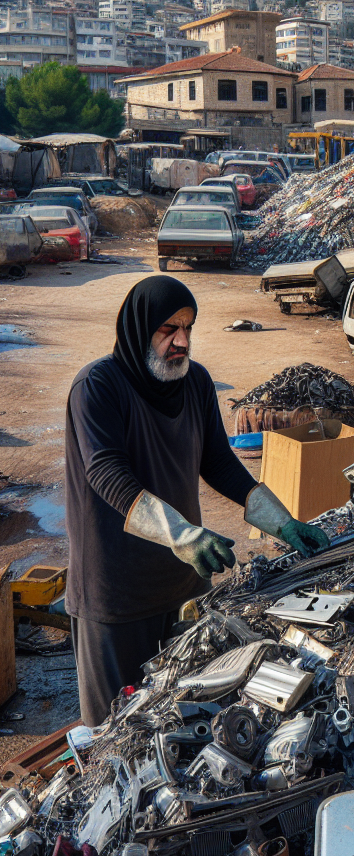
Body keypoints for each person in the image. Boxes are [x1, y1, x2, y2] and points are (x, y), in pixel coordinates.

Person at [65, 275, 330, 726]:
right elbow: (105, 472)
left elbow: (220, 464)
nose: (182, 341)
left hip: (185, 586)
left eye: (188, 327)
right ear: (139, 328)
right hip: (116, 596)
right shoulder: (98, 387)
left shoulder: (196, 382)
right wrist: (182, 533)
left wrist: (283, 523)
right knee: (118, 730)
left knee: (185, 721)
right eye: (169, 329)